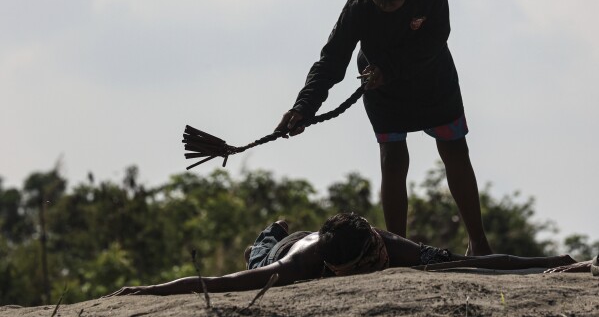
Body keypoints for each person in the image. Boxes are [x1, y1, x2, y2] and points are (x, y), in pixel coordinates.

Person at [275, 0, 491, 255]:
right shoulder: (361, 4)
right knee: (392, 158)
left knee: (455, 149)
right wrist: (303, 107)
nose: (384, 3)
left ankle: (479, 242)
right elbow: (332, 59)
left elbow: (435, 37)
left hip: (433, 77)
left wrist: (388, 69)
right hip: (381, 87)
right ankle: (396, 248)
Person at [104, 213, 592, 297]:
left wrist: (549, 263)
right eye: (370, 264)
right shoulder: (299, 266)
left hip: (325, 238)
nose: (381, 263)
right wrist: (148, 290)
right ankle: (270, 230)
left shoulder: (391, 247)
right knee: (257, 258)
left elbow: (477, 266)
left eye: (378, 253)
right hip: (283, 247)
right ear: (339, 269)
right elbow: (220, 282)